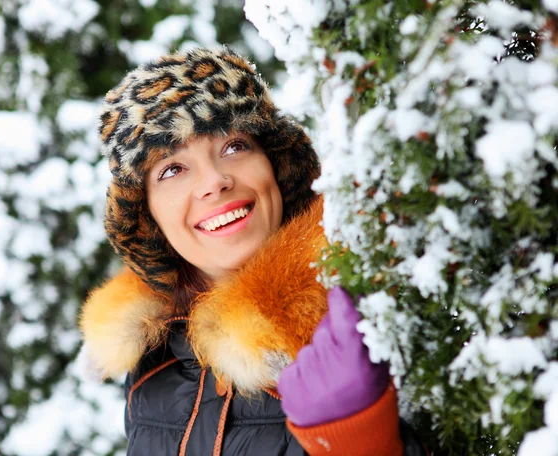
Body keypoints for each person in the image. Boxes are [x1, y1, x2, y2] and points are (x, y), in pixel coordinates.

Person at [79, 46, 426, 455]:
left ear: (277, 167)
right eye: (172, 169)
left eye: (234, 146)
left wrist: (361, 440)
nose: (214, 181)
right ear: (147, 213)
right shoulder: (153, 360)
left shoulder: (367, 304)